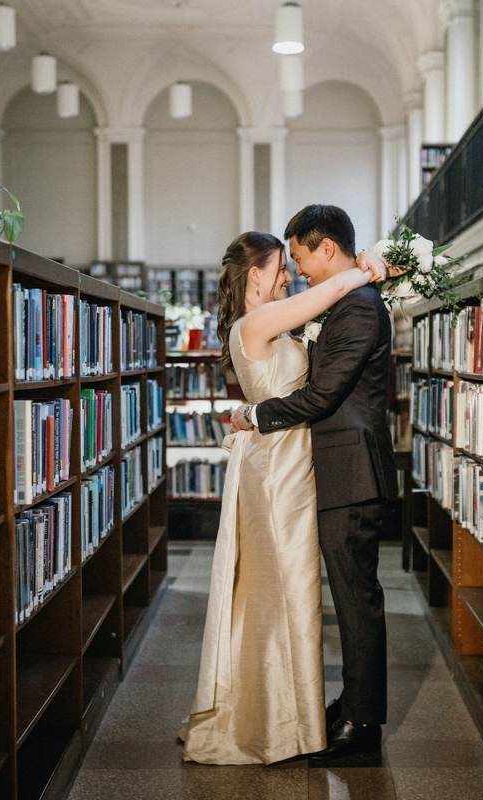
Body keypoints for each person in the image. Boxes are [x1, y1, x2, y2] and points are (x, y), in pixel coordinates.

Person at [180, 225, 386, 765]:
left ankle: (290, 715)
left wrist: (363, 262)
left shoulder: (274, 318)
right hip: (276, 471)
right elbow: (331, 291)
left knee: (284, 595)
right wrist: (368, 265)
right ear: (257, 275)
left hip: (290, 464)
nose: (292, 274)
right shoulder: (261, 319)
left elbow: (328, 300)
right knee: (285, 595)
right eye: (282, 266)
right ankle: (282, 723)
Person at [231, 205, 397, 764]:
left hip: (352, 471)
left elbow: (323, 397)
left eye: (299, 257)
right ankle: (351, 704)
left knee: (356, 599)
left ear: (327, 248)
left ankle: (363, 726)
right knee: (348, 596)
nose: (297, 271)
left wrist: (255, 416)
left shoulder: (359, 307)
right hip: (334, 469)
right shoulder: (342, 302)